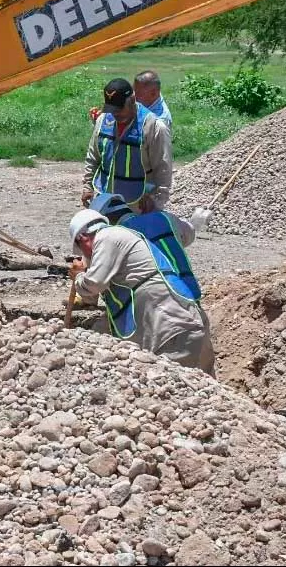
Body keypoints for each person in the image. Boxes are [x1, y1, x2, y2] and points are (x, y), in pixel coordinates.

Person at [68, 208, 214, 375]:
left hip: (172, 329)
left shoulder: (106, 237)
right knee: (206, 386)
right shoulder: (121, 239)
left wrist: (79, 276)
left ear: (83, 238)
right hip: (185, 327)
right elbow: (96, 292)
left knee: (173, 382)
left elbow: (95, 283)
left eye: (82, 250)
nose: (87, 257)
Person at [81, 78, 173, 214]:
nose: (115, 113)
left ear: (132, 99)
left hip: (139, 205)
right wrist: (87, 186)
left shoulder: (154, 127)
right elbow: (93, 156)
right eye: (112, 109)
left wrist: (155, 200)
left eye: (119, 108)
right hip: (105, 201)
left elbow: (163, 168)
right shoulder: (103, 121)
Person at [88, 192, 201, 299]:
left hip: (162, 301)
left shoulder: (117, 236)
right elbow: (189, 233)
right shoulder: (166, 217)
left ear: (106, 220)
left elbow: (98, 282)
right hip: (192, 293)